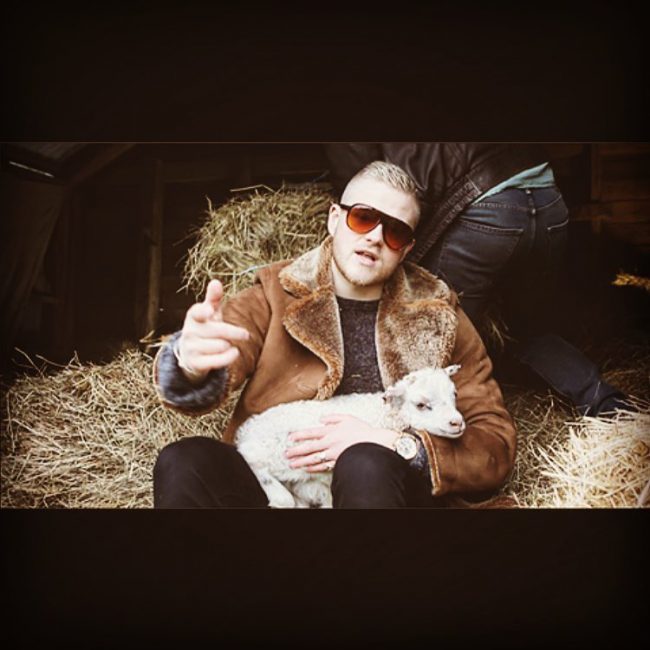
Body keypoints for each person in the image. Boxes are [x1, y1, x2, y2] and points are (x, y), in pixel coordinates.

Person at [152, 161, 517, 508]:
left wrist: (400, 445)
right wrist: (191, 364)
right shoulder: (276, 293)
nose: (375, 237)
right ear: (334, 219)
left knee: (365, 462)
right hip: (282, 482)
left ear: (406, 248)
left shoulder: (438, 312)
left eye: (395, 232)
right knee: (183, 459)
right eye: (363, 218)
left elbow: (493, 441)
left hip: (384, 489)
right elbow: (223, 350)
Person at [324, 143, 633, 418]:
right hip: (546, 198)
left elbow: (360, 183)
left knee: (433, 328)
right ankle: (609, 405)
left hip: (485, 207)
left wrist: (358, 229)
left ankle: (425, 429)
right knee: (528, 328)